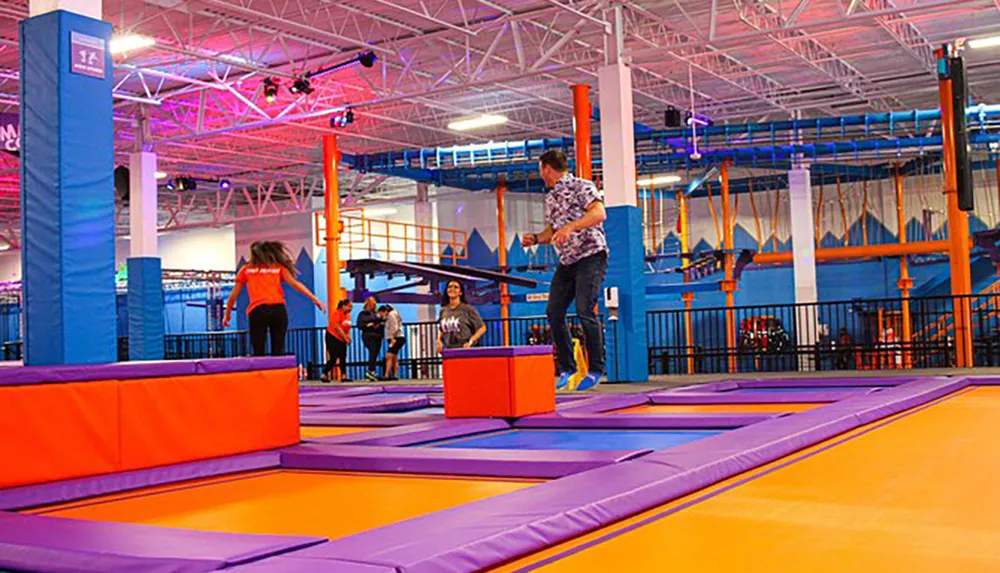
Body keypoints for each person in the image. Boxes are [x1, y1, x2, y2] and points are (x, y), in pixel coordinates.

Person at [522, 149, 608, 391]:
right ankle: (568, 367)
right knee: (554, 311)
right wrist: (537, 238)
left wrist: (571, 227)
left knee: (584, 309)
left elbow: (599, 213)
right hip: (568, 261)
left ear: (547, 168)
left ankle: (595, 369)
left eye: (541, 171)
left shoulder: (582, 186)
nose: (541, 176)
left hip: (591, 255)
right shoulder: (551, 198)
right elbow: (553, 231)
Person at [223, 241, 325, 357]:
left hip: (258, 311)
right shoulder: (277, 268)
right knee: (278, 348)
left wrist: (227, 314)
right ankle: (278, 373)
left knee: (258, 349)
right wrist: (314, 299)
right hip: (278, 310)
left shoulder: (246, 269)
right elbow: (295, 284)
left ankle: (261, 373)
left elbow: (233, 295)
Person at [436, 280, 486, 352]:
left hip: (464, 350)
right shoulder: (444, 310)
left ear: (460, 292)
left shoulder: (467, 309)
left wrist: (470, 341)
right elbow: (441, 329)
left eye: (456, 287)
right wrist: (439, 340)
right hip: (448, 350)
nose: (452, 289)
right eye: (450, 287)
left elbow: (482, 327)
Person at [323, 299, 353, 382]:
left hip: (342, 338)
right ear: (343, 306)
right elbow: (337, 327)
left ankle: (343, 376)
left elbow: (347, 327)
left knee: (343, 356)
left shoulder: (347, 315)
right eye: (349, 306)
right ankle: (325, 373)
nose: (351, 309)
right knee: (333, 357)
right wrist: (345, 337)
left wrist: (348, 337)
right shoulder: (336, 313)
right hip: (332, 336)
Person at [357, 296, 383, 382]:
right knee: (372, 352)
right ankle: (370, 370)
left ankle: (373, 371)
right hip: (369, 335)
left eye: (373, 304)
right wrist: (367, 325)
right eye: (370, 304)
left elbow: (380, 321)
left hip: (378, 335)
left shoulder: (376, 313)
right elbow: (359, 325)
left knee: (375, 353)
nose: (372, 305)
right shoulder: (362, 314)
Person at [379, 304, 405, 381]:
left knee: (389, 356)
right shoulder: (394, 314)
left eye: (381, 313)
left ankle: (386, 375)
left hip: (396, 338)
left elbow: (394, 327)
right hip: (397, 337)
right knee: (394, 357)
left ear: (384, 311)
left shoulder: (391, 315)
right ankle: (395, 375)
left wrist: (393, 338)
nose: (381, 315)